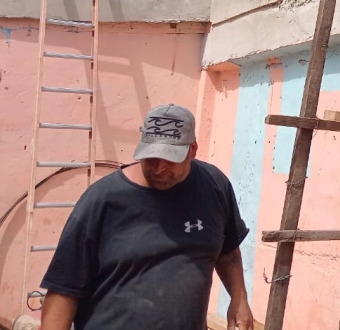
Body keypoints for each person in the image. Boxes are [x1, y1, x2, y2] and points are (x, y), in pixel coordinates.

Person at [39, 104, 254, 330]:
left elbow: (227, 249)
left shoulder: (214, 186)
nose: (159, 168)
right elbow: (63, 288)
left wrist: (238, 300)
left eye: (170, 158)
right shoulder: (102, 200)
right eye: (151, 157)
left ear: (192, 150)